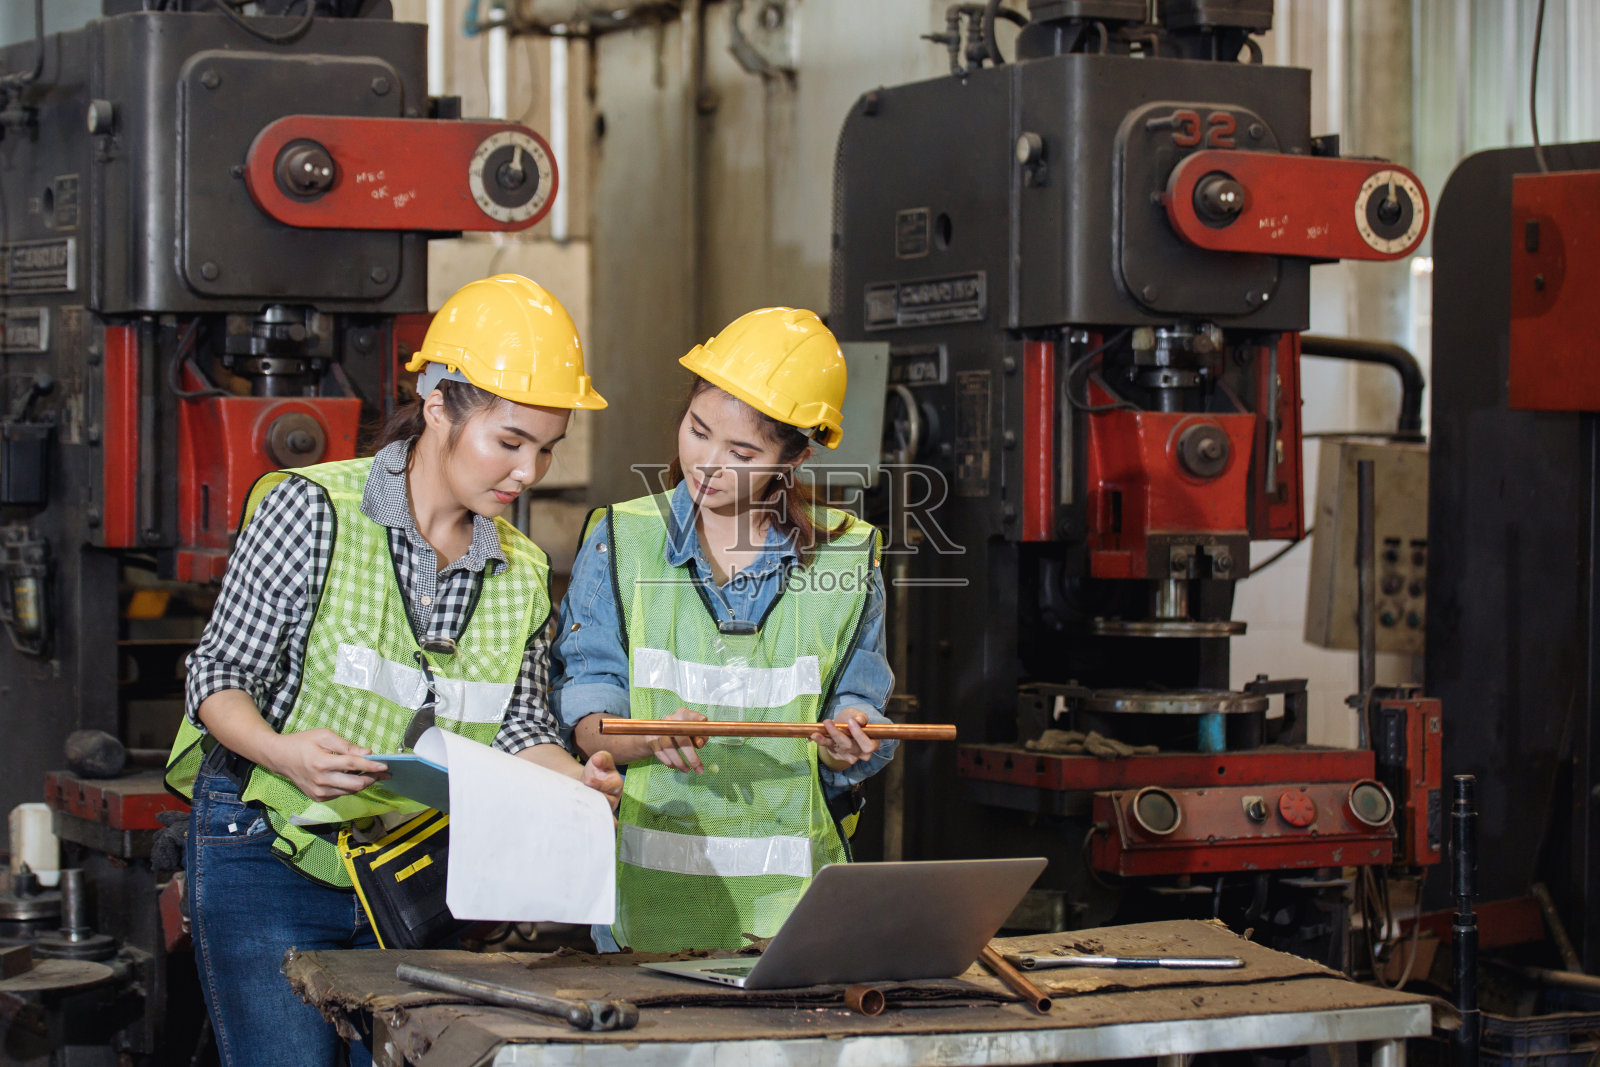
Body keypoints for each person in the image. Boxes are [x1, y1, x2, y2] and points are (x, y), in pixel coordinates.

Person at [165, 275, 621, 1067]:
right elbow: (218, 676)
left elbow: (518, 726)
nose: (528, 471)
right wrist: (283, 751)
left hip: (409, 872)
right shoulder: (310, 509)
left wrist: (573, 779)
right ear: (440, 403)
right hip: (266, 850)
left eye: (546, 448)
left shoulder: (519, 568)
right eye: (508, 441)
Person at [552, 306, 896, 953]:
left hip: (798, 919)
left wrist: (848, 739)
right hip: (642, 918)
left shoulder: (849, 557)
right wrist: (645, 736)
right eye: (698, 429)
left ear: (794, 454)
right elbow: (586, 714)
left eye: (742, 451)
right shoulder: (621, 538)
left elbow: (858, 705)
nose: (706, 463)